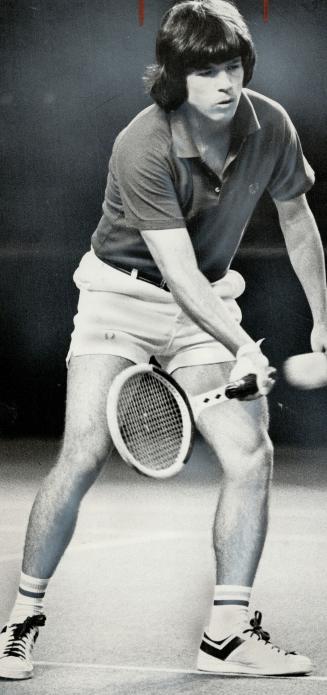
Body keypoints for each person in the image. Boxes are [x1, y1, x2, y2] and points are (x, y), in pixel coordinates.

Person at [1, 0, 327, 680]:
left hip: (206, 302)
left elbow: (296, 222)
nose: (224, 84)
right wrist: (243, 344)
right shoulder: (141, 144)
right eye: (206, 72)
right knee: (84, 447)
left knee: (248, 451)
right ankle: (20, 620)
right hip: (121, 299)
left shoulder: (269, 127)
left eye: (233, 67)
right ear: (176, 77)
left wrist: (323, 319)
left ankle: (226, 634)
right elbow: (176, 274)